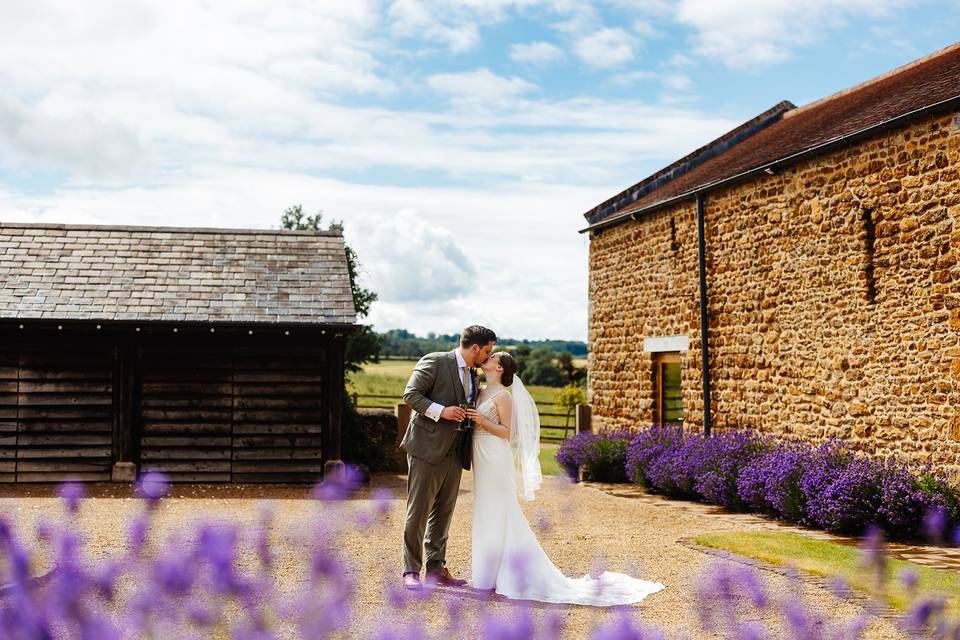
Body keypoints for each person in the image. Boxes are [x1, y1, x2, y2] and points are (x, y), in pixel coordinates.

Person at [465, 352, 665, 605]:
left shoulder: (503, 396)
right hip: (480, 457)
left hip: (494, 455)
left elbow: (507, 432)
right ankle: (486, 574)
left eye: (492, 356)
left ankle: (506, 574)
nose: (487, 357)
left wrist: (481, 420)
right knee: (485, 510)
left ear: (500, 368)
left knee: (499, 510)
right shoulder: (480, 390)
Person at [400, 325, 497, 590]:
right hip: (427, 448)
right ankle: (411, 571)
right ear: (474, 348)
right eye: (486, 351)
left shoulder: (474, 375)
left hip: (456, 452)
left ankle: (436, 569)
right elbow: (410, 394)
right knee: (418, 512)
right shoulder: (435, 361)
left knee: (443, 514)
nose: (488, 357)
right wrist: (441, 411)